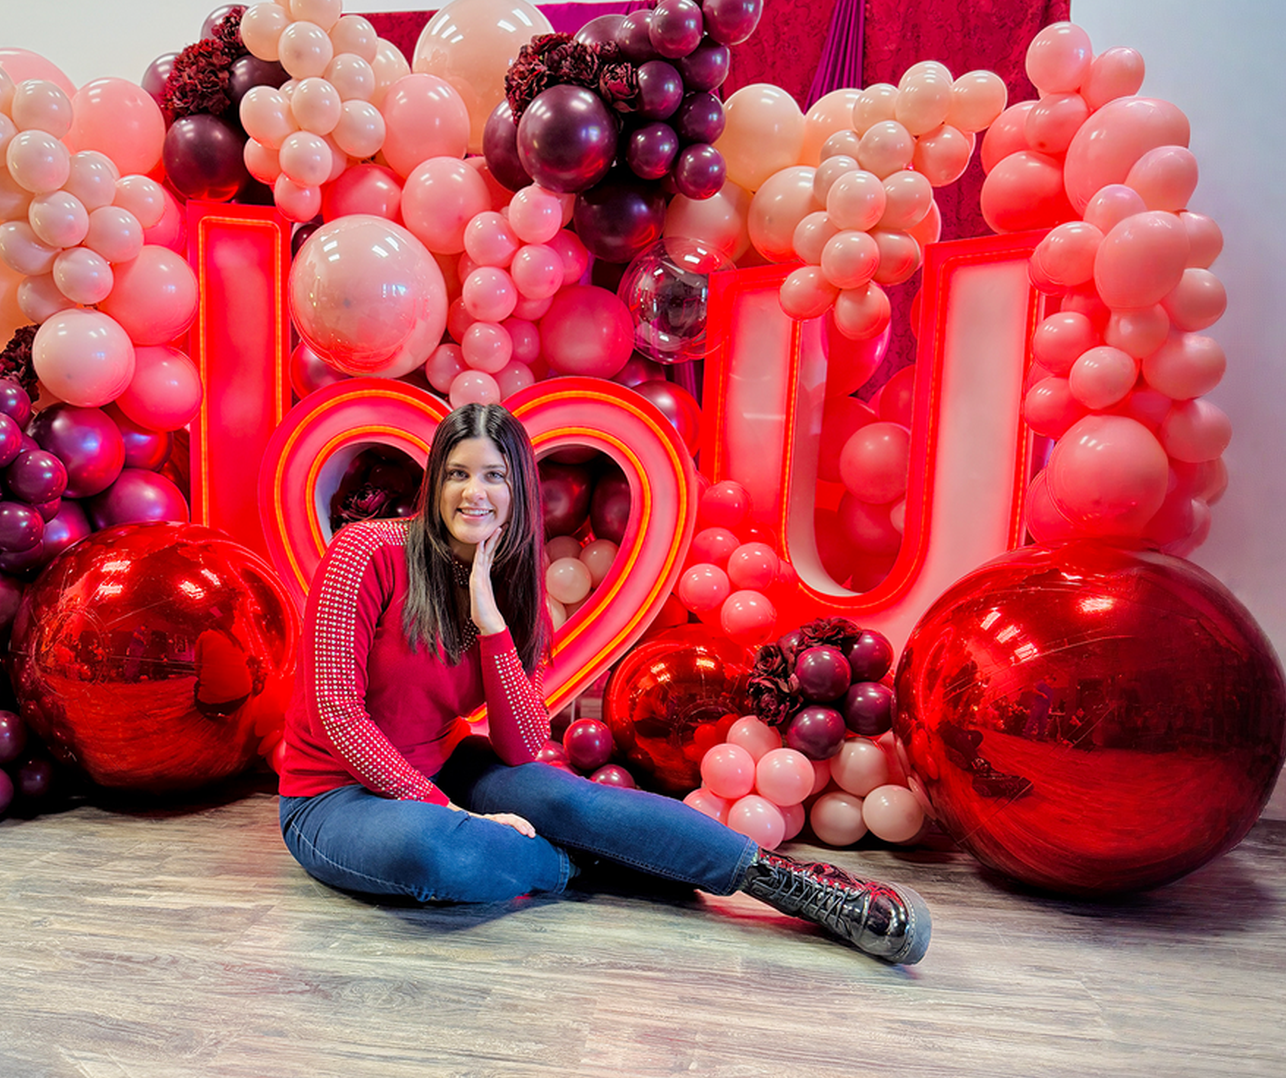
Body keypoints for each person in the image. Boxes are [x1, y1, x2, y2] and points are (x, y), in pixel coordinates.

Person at [277, 403, 930, 965]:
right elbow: (338, 712)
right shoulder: (367, 553)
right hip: (335, 796)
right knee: (431, 851)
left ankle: (791, 886)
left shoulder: (510, 580)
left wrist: (491, 618)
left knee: (574, 802)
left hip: (444, 763)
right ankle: (572, 865)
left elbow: (522, 744)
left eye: (494, 475)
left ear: (518, 491)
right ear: (434, 483)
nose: (474, 492)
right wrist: (443, 809)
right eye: (457, 473)